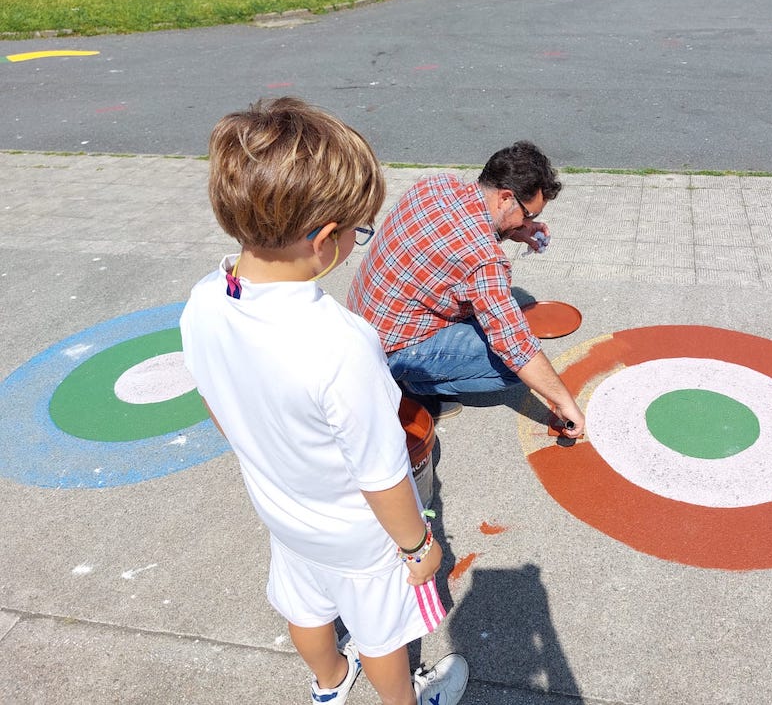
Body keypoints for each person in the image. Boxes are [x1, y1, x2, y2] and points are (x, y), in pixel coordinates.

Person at [179, 97, 468, 705]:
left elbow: (214, 399)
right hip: (357, 535)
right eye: (359, 232)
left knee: (304, 604)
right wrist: (419, 546)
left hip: (280, 510)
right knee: (381, 630)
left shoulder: (204, 299)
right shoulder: (342, 344)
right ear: (326, 239)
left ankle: (331, 683)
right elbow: (382, 474)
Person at [346, 141, 585, 438]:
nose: (529, 222)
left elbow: (459, 242)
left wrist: (514, 229)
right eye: (528, 215)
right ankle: (410, 386)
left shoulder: (436, 185)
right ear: (505, 198)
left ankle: (410, 377)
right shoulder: (483, 261)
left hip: (361, 320)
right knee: (512, 366)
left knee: (488, 314)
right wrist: (563, 401)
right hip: (388, 351)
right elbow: (516, 347)